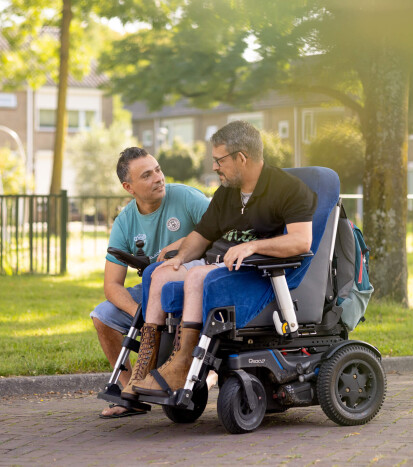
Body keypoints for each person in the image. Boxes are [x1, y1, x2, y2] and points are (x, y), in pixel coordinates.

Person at [126, 121, 316, 399]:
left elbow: (301, 241)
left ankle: (182, 366)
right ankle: (145, 371)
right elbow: (201, 236)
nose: (215, 167)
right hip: (221, 267)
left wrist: (252, 246)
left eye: (219, 160)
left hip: (259, 274)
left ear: (242, 157)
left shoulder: (288, 189)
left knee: (196, 275)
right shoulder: (227, 193)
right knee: (160, 273)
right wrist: (178, 258)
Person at [91, 147, 210, 418]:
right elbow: (112, 286)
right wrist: (140, 316)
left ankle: (190, 371)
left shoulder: (186, 197)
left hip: (192, 284)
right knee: (102, 316)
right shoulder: (124, 222)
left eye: (158, 169)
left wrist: (179, 246)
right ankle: (130, 390)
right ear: (129, 187)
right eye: (147, 175)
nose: (158, 178)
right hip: (149, 291)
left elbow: (220, 231)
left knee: (162, 274)